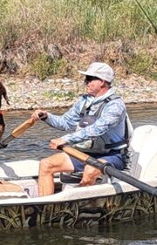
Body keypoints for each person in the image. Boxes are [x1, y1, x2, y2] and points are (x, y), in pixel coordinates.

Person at [32, 62, 131, 197]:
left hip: (113, 156)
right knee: (46, 164)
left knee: (90, 170)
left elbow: (97, 129)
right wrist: (46, 117)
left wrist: (65, 139)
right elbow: (65, 123)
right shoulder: (84, 101)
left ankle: (81, 207)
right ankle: (45, 207)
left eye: (89, 79)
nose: (86, 82)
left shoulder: (115, 105)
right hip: (84, 154)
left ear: (102, 82)